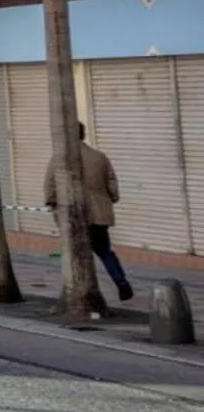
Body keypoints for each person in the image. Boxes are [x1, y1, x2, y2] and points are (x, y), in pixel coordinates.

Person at [46, 122, 131, 302]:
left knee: (75, 252)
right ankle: (121, 282)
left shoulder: (60, 158)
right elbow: (112, 182)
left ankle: (78, 290)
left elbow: (50, 183)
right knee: (104, 250)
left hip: (74, 213)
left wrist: (52, 203)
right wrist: (110, 198)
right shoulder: (99, 157)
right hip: (99, 213)